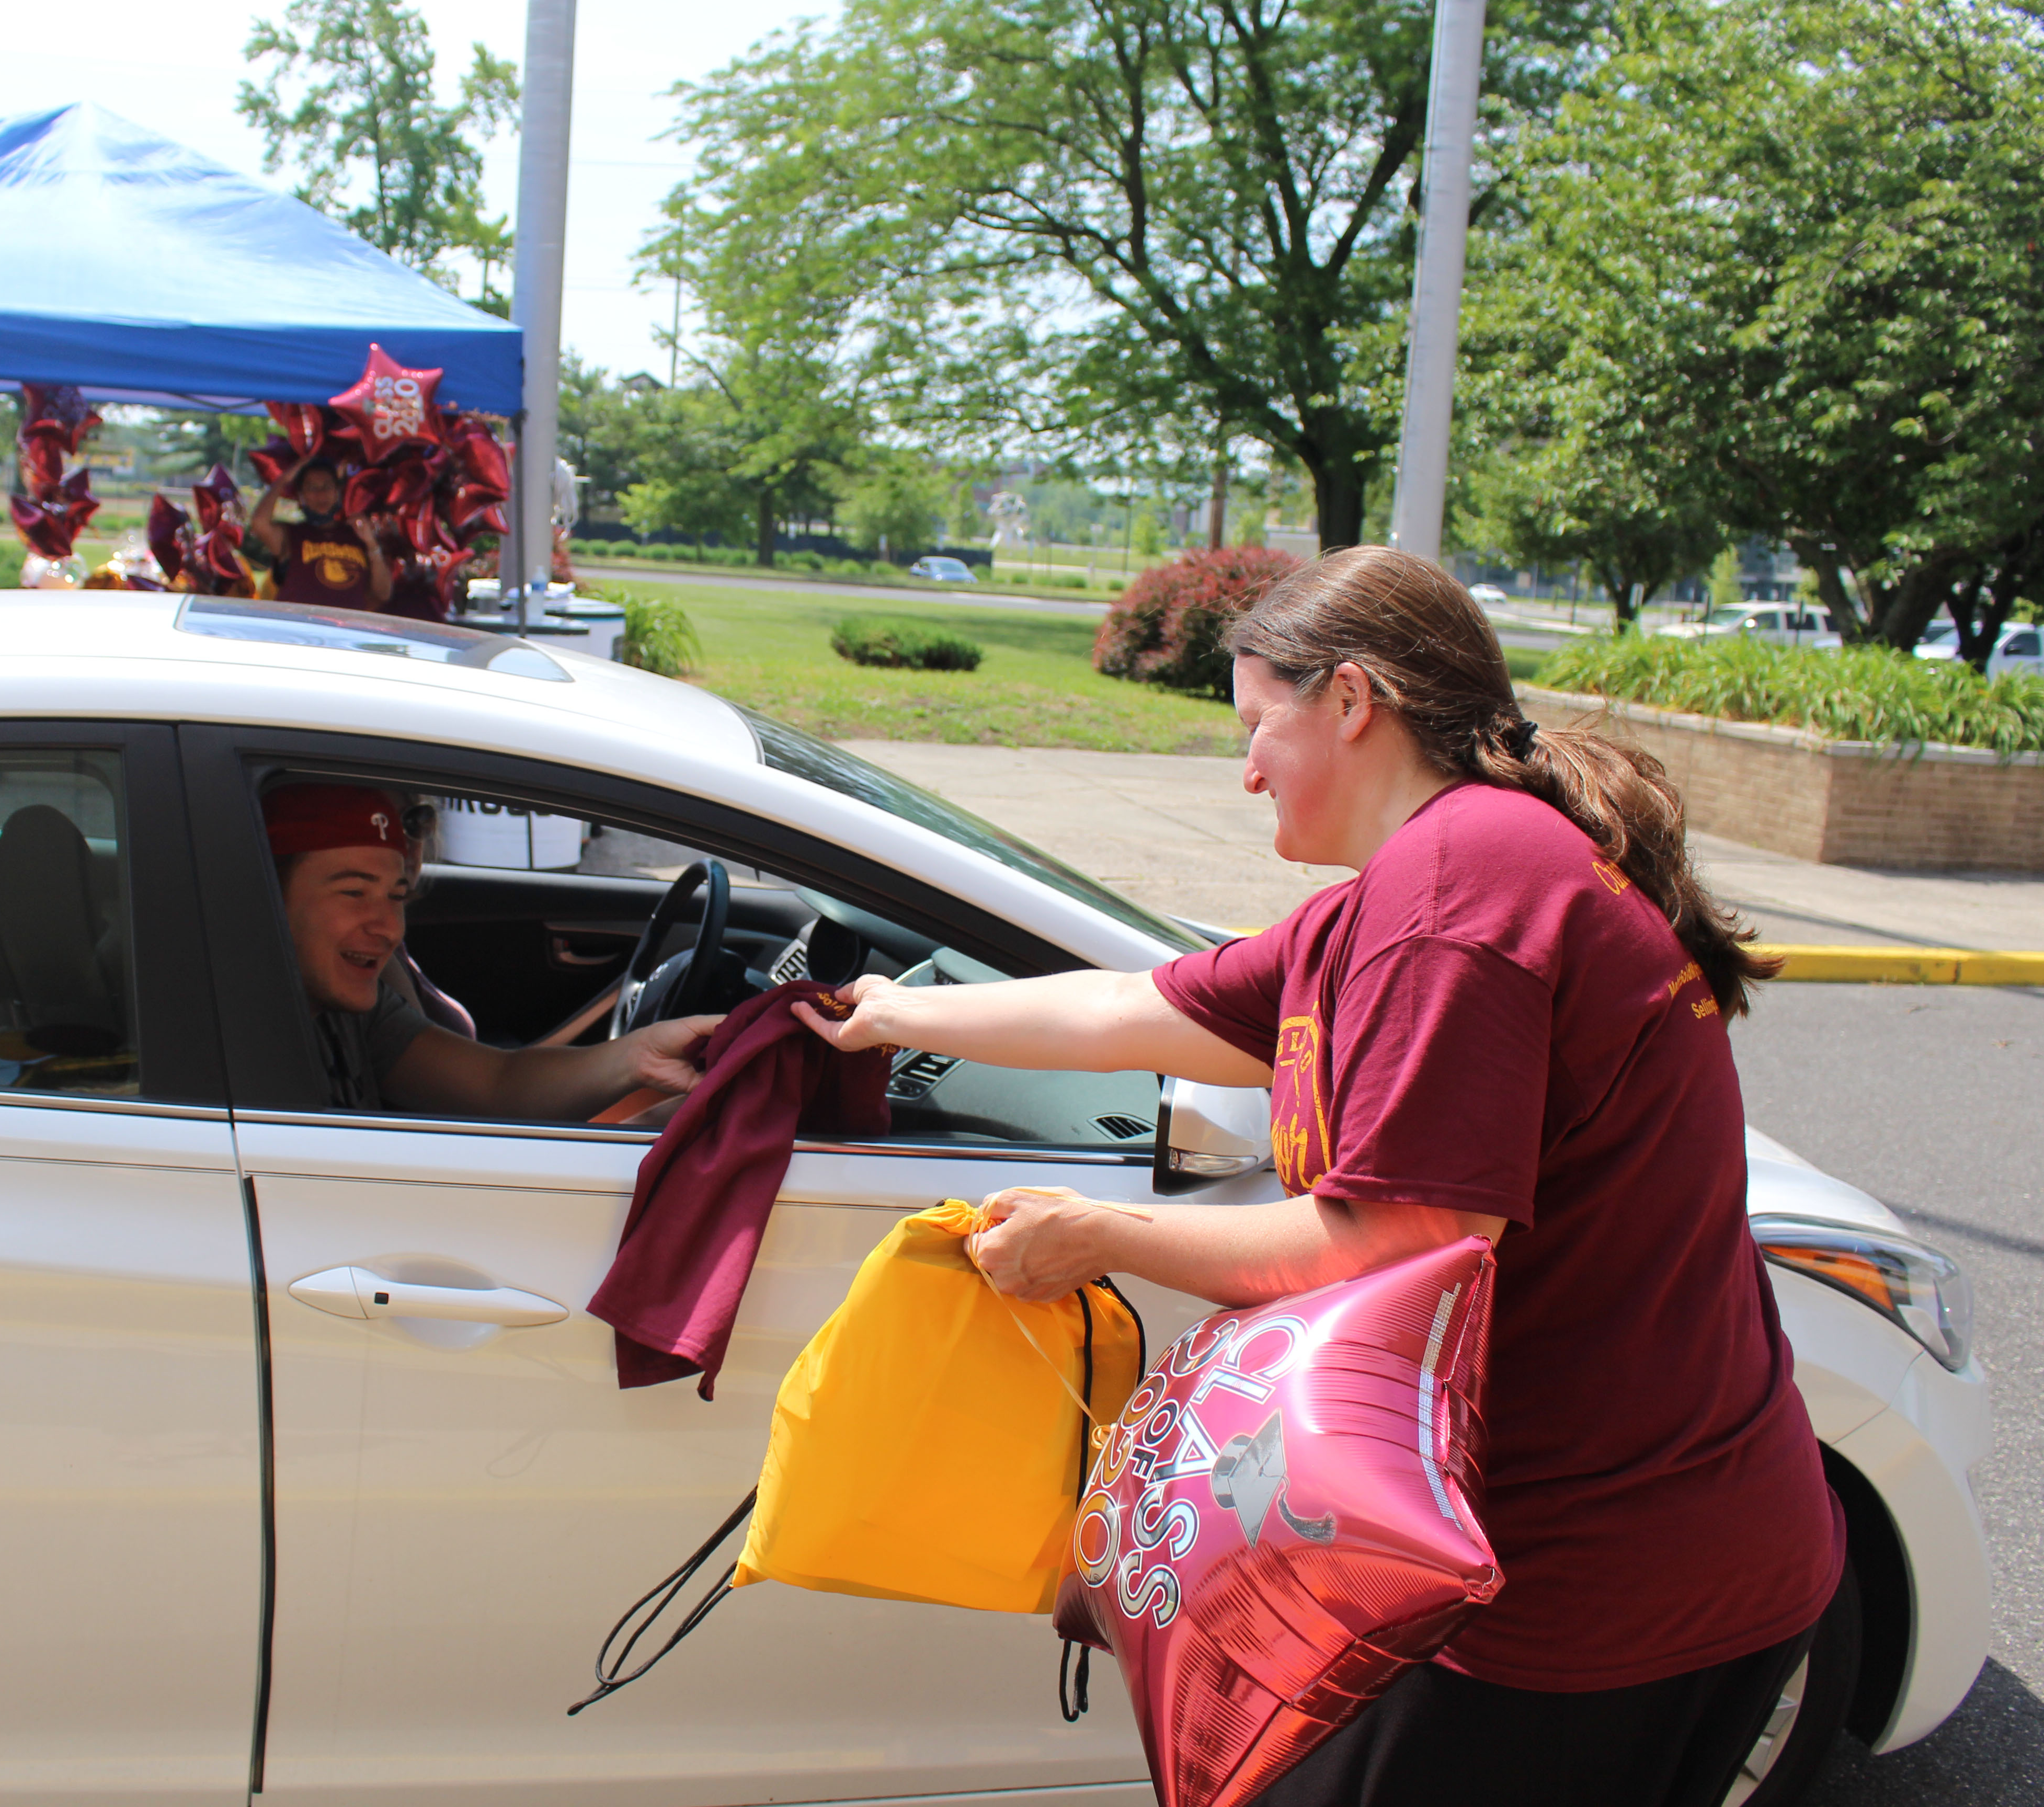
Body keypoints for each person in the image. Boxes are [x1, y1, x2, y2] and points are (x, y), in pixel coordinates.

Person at [797, 546, 1841, 1807]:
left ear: (1352, 698)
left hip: (1593, 1587)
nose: (1243, 771)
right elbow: (1140, 1000)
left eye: (1255, 726)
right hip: (1561, 1548)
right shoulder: (1405, 891)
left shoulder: (1458, 890)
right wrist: (898, 1015)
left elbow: (1401, 1237)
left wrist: (1100, 1232)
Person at [268, 781, 716, 1117]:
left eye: (396, 896)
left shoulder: (353, 1012)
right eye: (353, 893)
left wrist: (640, 1056)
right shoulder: (228, 1039)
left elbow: (496, 1085)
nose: (388, 928)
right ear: (267, 897)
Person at [255, 461, 392, 610]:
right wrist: (284, 479)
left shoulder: (358, 536)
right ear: (301, 496)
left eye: (327, 487)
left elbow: (383, 594)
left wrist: (372, 544)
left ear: (337, 493)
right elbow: (259, 522)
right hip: (300, 626)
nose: (321, 494)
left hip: (343, 629)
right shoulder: (291, 535)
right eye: (312, 488)